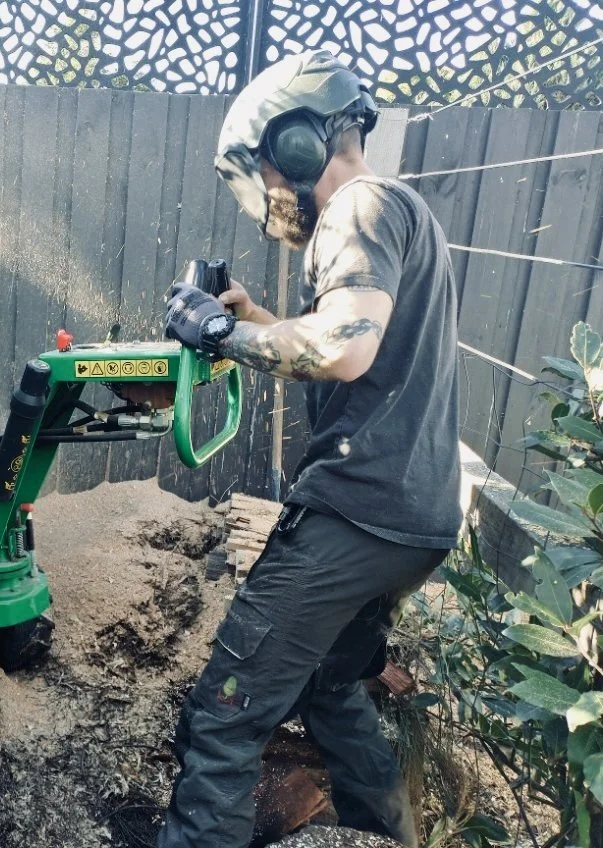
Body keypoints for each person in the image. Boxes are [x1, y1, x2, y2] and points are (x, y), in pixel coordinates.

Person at [157, 50, 462, 848]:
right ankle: (387, 835)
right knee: (328, 685)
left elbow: (344, 348)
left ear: (294, 145)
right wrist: (255, 317)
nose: (264, 193)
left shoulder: (355, 207)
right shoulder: (400, 211)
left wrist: (216, 331)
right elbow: (357, 360)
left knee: (223, 714)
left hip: (353, 514)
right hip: (413, 518)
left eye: (261, 168)